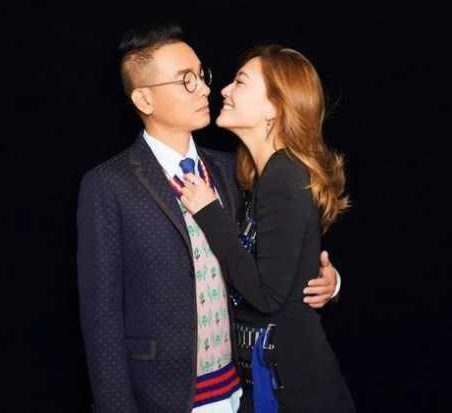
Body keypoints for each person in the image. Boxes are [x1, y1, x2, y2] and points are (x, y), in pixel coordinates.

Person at [77, 22, 340, 413]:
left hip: (245, 391)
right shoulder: (109, 185)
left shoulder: (233, 171)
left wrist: (327, 280)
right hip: (166, 399)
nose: (204, 89)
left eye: (201, 76)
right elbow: (102, 320)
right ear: (145, 100)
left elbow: (275, 248)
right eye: (186, 80)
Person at [179, 45, 355, 412]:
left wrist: (210, 214)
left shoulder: (284, 176)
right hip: (267, 381)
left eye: (241, 82)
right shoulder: (258, 175)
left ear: (274, 107)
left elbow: (266, 295)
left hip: (296, 390)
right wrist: (329, 280)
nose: (224, 90)